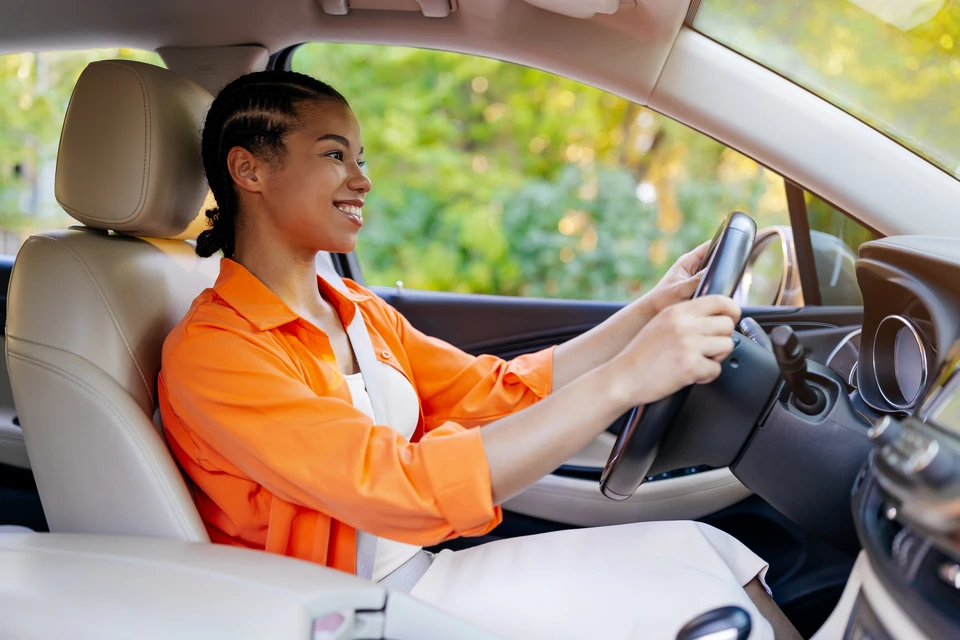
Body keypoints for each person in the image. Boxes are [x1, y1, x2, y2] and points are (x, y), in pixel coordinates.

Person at [158, 71, 800, 640]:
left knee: (703, 552)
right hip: (347, 611)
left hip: (424, 574)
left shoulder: (355, 308)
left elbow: (493, 392)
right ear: (249, 171)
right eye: (334, 155)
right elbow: (400, 486)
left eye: (361, 157)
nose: (363, 179)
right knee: (691, 599)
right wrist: (623, 381)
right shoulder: (215, 352)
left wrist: (648, 313)